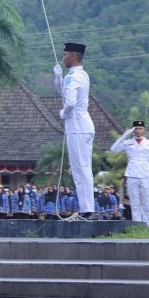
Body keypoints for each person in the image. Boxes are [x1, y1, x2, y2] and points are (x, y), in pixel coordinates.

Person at [53, 42, 95, 218]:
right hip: (83, 125)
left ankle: (87, 210)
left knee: (80, 170)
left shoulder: (72, 77)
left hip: (77, 126)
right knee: (82, 168)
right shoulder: (81, 74)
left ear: (73, 56)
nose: (63, 58)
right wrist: (59, 79)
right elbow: (66, 93)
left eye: (65, 55)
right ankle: (86, 208)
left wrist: (63, 114)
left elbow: (69, 103)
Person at [111, 120, 149, 226]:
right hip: (132, 174)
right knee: (135, 204)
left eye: (140, 128)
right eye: (136, 128)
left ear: (144, 130)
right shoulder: (128, 143)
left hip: (146, 175)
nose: (138, 131)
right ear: (133, 130)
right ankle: (137, 226)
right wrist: (125, 135)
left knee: (146, 203)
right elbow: (113, 149)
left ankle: (147, 226)